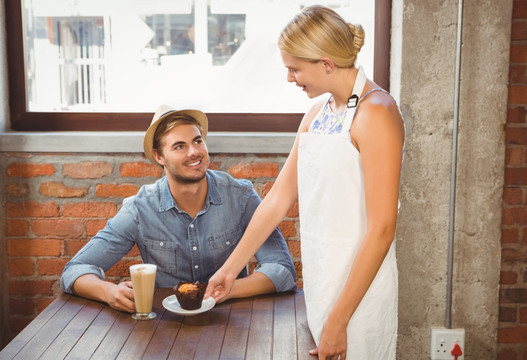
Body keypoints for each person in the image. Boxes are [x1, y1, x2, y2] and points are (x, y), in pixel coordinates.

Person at [205, 5, 405, 360]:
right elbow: (279, 198)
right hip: (323, 281)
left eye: (294, 68)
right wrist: (230, 269)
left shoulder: (377, 113)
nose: (290, 78)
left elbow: (383, 229)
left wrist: (340, 319)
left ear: (326, 63)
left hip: (359, 296)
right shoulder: (318, 114)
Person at [60, 104, 297, 313]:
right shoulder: (140, 209)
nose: (194, 152)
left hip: (233, 323)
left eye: (197, 141)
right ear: (158, 156)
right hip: (164, 327)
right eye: (179, 146)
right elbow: (74, 271)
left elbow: (282, 271)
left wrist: (224, 290)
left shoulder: (241, 197)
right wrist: (108, 292)